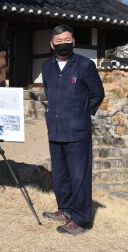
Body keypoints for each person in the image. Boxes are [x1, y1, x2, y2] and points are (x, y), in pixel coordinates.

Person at [41, 24, 105, 235]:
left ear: (73, 41)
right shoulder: (47, 66)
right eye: (59, 41)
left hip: (77, 130)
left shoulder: (85, 65)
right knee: (59, 174)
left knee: (79, 175)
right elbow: (49, 93)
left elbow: (97, 93)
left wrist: (81, 113)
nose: (63, 44)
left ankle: (81, 219)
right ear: (52, 44)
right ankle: (65, 209)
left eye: (67, 40)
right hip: (55, 127)